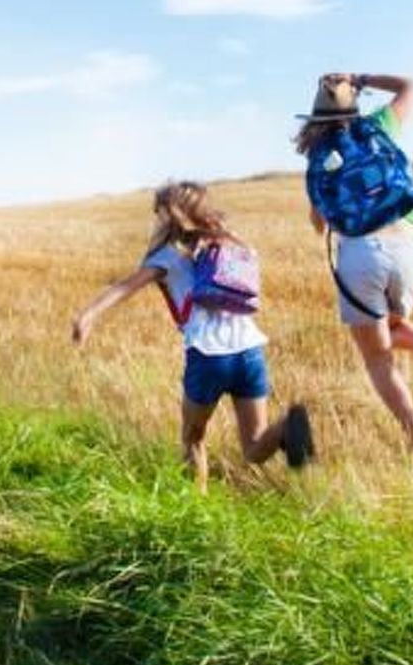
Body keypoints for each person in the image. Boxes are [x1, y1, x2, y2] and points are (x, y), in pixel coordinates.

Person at [70, 180, 313, 486]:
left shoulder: (168, 256)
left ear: (169, 214)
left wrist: (88, 315)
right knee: (253, 448)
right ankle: (287, 427)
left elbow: (125, 286)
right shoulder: (230, 243)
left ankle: (195, 513)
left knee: (193, 439)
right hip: (250, 350)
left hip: (208, 355)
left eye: (157, 212)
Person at [295, 73, 413, 458]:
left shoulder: (319, 156)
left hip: (360, 253)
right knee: (388, 325)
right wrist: (364, 78)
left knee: (376, 355)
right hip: (407, 244)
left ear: (315, 117)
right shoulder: (378, 126)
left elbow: (320, 223)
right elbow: (411, 86)